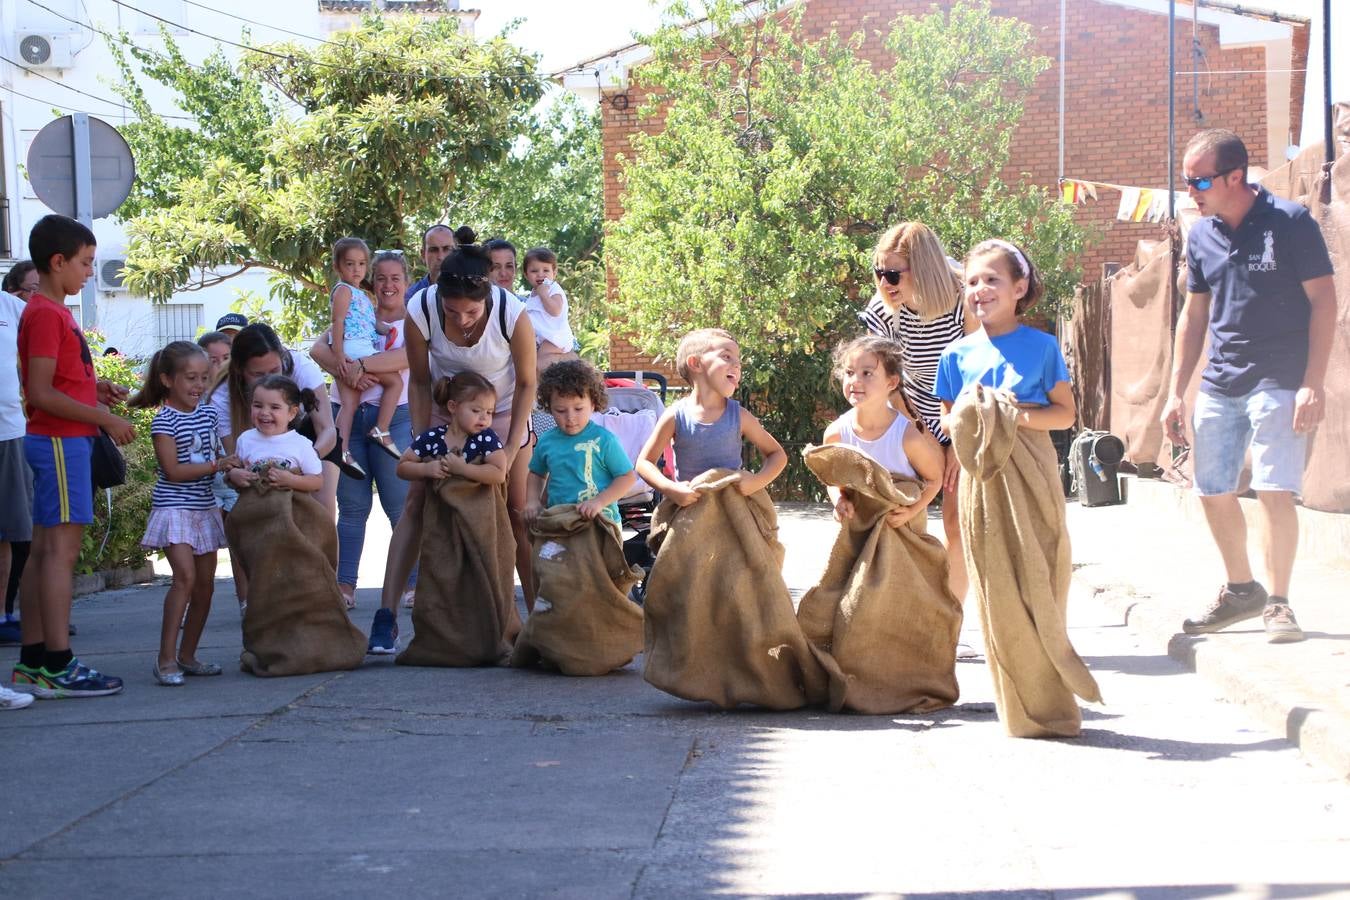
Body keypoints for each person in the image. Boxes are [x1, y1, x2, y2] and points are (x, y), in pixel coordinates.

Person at [1163, 129, 1337, 644]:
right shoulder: (1201, 236)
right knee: (1211, 488)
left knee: (1273, 487)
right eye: (1186, 180)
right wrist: (1176, 392)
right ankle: (1242, 590)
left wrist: (1313, 383)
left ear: (1234, 177)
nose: (1190, 190)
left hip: (1280, 376)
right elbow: (1192, 317)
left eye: (1198, 179)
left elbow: (1325, 301)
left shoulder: (1290, 222)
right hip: (1220, 380)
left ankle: (1279, 603)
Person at [367, 228, 537, 655]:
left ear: (488, 296)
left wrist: (512, 446)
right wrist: (429, 440)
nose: (461, 320)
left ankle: (539, 620)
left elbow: (529, 383)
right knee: (416, 502)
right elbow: (420, 383)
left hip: (502, 411)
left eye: (471, 312)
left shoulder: (510, 314)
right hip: (446, 409)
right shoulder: (420, 311)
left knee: (516, 510)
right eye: (452, 311)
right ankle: (385, 616)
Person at [12, 215, 135, 699]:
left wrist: (94, 389)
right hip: (62, 443)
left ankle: (34, 662)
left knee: (44, 554)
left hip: (60, 440)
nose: (89, 272)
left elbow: (52, 383)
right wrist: (103, 418)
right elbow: (40, 392)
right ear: (57, 261)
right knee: (58, 555)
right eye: (84, 263)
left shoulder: (51, 312)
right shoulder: (45, 313)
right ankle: (58, 664)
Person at [859, 222, 977, 622]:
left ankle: (952, 621)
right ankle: (902, 615)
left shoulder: (964, 297)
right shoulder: (883, 310)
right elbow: (885, 378)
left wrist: (960, 442)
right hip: (916, 410)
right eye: (878, 272)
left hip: (964, 409)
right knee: (905, 510)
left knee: (957, 520)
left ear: (923, 269)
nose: (884, 282)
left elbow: (977, 371)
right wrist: (916, 429)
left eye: (893, 274)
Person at [311, 249, 416, 611]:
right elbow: (317, 350)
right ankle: (345, 587)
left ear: (406, 281)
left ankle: (412, 585)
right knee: (352, 507)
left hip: (394, 418)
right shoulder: (357, 311)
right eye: (382, 278)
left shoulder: (415, 320)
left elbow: (408, 359)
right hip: (350, 415)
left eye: (395, 278)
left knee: (399, 506)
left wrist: (358, 365)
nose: (388, 285)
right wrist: (347, 370)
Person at [128, 342, 235, 686]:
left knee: (205, 589)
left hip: (204, 507)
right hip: (174, 508)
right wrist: (218, 464)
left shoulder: (209, 414)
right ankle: (165, 659)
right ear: (167, 379)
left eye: (204, 377)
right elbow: (173, 470)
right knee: (184, 580)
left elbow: (225, 455)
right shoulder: (164, 420)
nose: (199, 385)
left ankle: (188, 656)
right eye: (191, 377)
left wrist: (235, 467)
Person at [635, 328, 786, 502]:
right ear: (696, 364)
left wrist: (756, 481)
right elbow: (644, 463)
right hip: (692, 514)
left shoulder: (740, 416)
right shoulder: (675, 416)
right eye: (727, 356)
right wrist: (671, 489)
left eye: (739, 361)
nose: (737, 365)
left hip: (733, 511)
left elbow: (777, 454)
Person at [208, 323, 342, 514]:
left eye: (274, 370)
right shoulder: (221, 396)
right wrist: (234, 473)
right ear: (240, 370)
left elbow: (327, 430)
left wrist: (301, 463)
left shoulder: (301, 368)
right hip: (261, 453)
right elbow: (236, 458)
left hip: (311, 444)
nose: (267, 380)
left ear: (282, 359)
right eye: (257, 374)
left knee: (320, 516)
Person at [823, 335, 944, 528]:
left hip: (903, 536)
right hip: (857, 533)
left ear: (892, 382)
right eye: (849, 372)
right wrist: (839, 500)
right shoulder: (836, 434)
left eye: (867, 373)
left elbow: (934, 479)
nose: (855, 381)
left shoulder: (907, 436)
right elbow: (832, 480)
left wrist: (911, 512)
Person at [525, 360, 636, 526]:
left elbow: (627, 477)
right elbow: (537, 474)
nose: (570, 417)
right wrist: (532, 500)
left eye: (578, 409)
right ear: (549, 407)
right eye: (560, 410)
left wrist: (599, 501)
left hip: (600, 523)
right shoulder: (547, 441)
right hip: (559, 521)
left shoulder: (605, 440)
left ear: (593, 404)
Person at [327, 237, 402, 463]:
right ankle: (381, 429)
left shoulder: (360, 295)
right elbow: (337, 322)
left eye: (361, 264)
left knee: (349, 404)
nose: (356, 269)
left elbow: (369, 323)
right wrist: (340, 355)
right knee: (395, 382)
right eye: (350, 264)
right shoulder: (343, 291)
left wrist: (385, 330)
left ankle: (341, 448)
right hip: (356, 349)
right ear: (337, 267)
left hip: (359, 348)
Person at [0, 266, 34, 706]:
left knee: (10, 534)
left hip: (9, 433)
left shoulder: (14, 310)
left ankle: (3, 614)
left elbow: (44, 364)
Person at [397, 372, 510, 486]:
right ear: (453, 407)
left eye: (489, 412)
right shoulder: (432, 437)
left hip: (479, 503)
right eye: (476, 410)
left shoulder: (486, 438)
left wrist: (463, 469)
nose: (484, 418)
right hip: (438, 504)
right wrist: (425, 469)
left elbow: (499, 474)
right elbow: (402, 467)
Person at [522, 247, 578, 377]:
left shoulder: (553, 289)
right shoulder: (532, 295)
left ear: (554, 272)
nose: (540, 274)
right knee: (536, 367)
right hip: (544, 338)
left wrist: (544, 295)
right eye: (534, 271)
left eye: (546, 270)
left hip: (554, 337)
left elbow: (555, 310)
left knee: (539, 364)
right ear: (526, 274)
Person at [405, 225, 457, 299]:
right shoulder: (411, 297)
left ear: (457, 253)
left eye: (447, 249)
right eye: (433, 250)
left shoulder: (472, 293)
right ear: (423, 255)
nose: (441, 257)